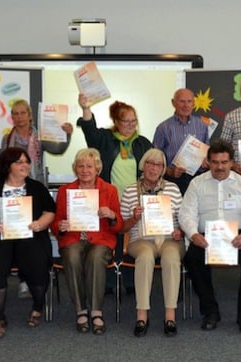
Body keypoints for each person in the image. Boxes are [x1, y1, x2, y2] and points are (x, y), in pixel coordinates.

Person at [179, 140, 241, 333]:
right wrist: (193, 234)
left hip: (238, 236)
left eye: (224, 162)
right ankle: (210, 311)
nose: (219, 167)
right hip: (206, 236)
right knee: (192, 258)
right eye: (215, 162)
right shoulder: (196, 184)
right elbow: (186, 214)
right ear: (208, 162)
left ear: (232, 162)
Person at [0, 147, 57, 338]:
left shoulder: (36, 187)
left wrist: (40, 223)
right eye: (19, 162)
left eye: (26, 162)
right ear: (7, 166)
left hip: (30, 234)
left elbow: (50, 211)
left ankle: (37, 307)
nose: (25, 165)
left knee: (36, 259)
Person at [77, 95, 152, 295]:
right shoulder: (105, 139)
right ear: (116, 122)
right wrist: (86, 107)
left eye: (133, 121)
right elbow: (89, 129)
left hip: (134, 200)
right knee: (111, 240)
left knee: (133, 239)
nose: (130, 125)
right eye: (126, 121)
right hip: (110, 199)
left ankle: (129, 280)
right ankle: (109, 282)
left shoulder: (143, 143)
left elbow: (152, 169)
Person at [1, 99, 73, 299]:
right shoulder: (7, 139)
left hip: (36, 191)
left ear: (30, 115)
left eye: (23, 113)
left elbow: (58, 149)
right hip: (14, 191)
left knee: (34, 234)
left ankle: (35, 278)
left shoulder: (41, 135)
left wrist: (66, 134)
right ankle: (24, 280)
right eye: (15, 113)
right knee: (18, 235)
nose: (19, 117)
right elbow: (3, 166)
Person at [50, 148, 124, 335]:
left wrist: (112, 215)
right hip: (73, 237)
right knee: (72, 255)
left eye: (89, 166)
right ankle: (81, 310)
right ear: (75, 169)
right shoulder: (65, 190)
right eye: (81, 166)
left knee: (96, 256)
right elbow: (55, 222)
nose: (85, 170)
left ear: (97, 168)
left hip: (101, 238)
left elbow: (119, 225)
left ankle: (96, 311)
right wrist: (61, 226)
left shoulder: (109, 190)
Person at [120, 149, 184, 337]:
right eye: (150, 163)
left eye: (158, 165)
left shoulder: (172, 189)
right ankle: (142, 315)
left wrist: (180, 231)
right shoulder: (131, 190)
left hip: (170, 238)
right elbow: (122, 227)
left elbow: (183, 218)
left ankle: (170, 315)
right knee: (146, 256)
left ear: (163, 168)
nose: (153, 168)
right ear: (143, 165)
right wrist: (133, 218)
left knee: (172, 256)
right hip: (140, 240)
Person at [153, 88, 209, 194]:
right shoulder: (163, 127)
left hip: (198, 179)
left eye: (189, 101)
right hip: (173, 180)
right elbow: (155, 159)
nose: (186, 105)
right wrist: (169, 171)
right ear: (173, 103)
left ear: (193, 103)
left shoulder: (201, 125)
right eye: (182, 101)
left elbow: (207, 152)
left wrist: (207, 161)